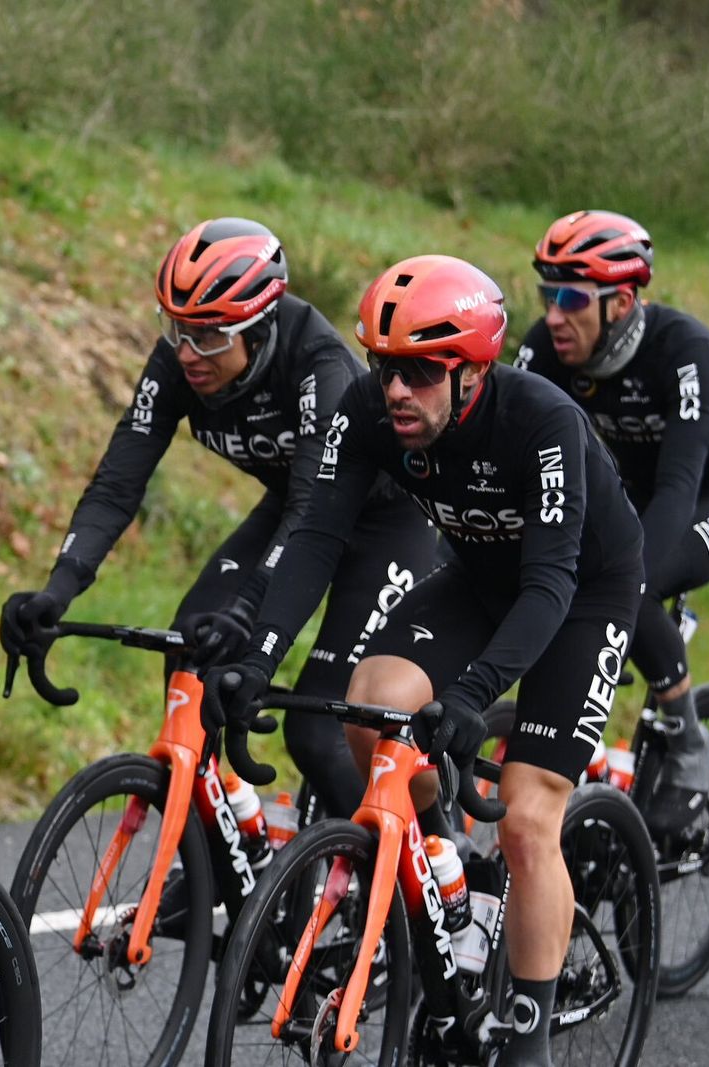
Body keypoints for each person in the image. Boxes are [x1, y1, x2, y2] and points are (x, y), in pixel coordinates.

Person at [206, 255, 645, 1067]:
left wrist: (475, 692)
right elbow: (317, 536)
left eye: (419, 372)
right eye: (383, 366)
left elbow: (551, 583)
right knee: (375, 705)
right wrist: (258, 658)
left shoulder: (540, 419)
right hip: (477, 574)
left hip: (581, 590)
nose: (395, 389)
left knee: (524, 818)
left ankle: (526, 1040)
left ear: (473, 372)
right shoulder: (368, 408)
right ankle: (443, 869)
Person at [0, 217, 438, 824]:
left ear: (258, 329)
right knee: (189, 649)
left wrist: (248, 609)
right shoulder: (181, 360)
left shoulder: (318, 364)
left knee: (317, 730)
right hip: (291, 509)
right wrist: (60, 586)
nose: (187, 353)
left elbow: (316, 508)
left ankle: (427, 861)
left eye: (207, 337)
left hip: (388, 525)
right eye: (176, 329)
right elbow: (120, 478)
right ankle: (216, 856)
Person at [517, 209, 709, 834]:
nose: (554, 314)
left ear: (623, 301)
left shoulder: (687, 353)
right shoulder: (546, 348)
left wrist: (627, 582)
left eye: (572, 296)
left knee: (633, 583)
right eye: (548, 293)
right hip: (631, 498)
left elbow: (682, 485)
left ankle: (688, 740)